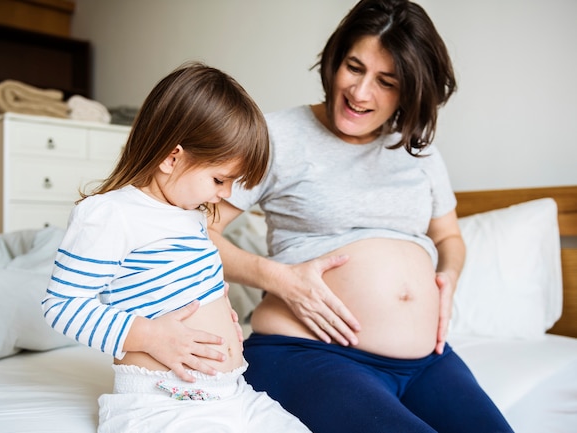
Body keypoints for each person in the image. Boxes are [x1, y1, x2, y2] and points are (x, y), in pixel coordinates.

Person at [207, 1, 515, 432]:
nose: (360, 92)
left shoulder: (417, 150)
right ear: (335, 59)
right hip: (307, 353)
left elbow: (448, 236)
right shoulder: (276, 136)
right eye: (354, 67)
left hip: (427, 361)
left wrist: (448, 278)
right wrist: (279, 278)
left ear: (411, 92)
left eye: (386, 82)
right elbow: (195, 232)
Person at [42, 63, 311, 433]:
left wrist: (222, 316)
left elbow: (184, 290)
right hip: (162, 402)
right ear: (172, 157)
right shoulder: (110, 214)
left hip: (233, 393)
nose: (227, 194)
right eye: (220, 179)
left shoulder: (191, 216)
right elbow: (62, 306)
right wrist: (150, 336)